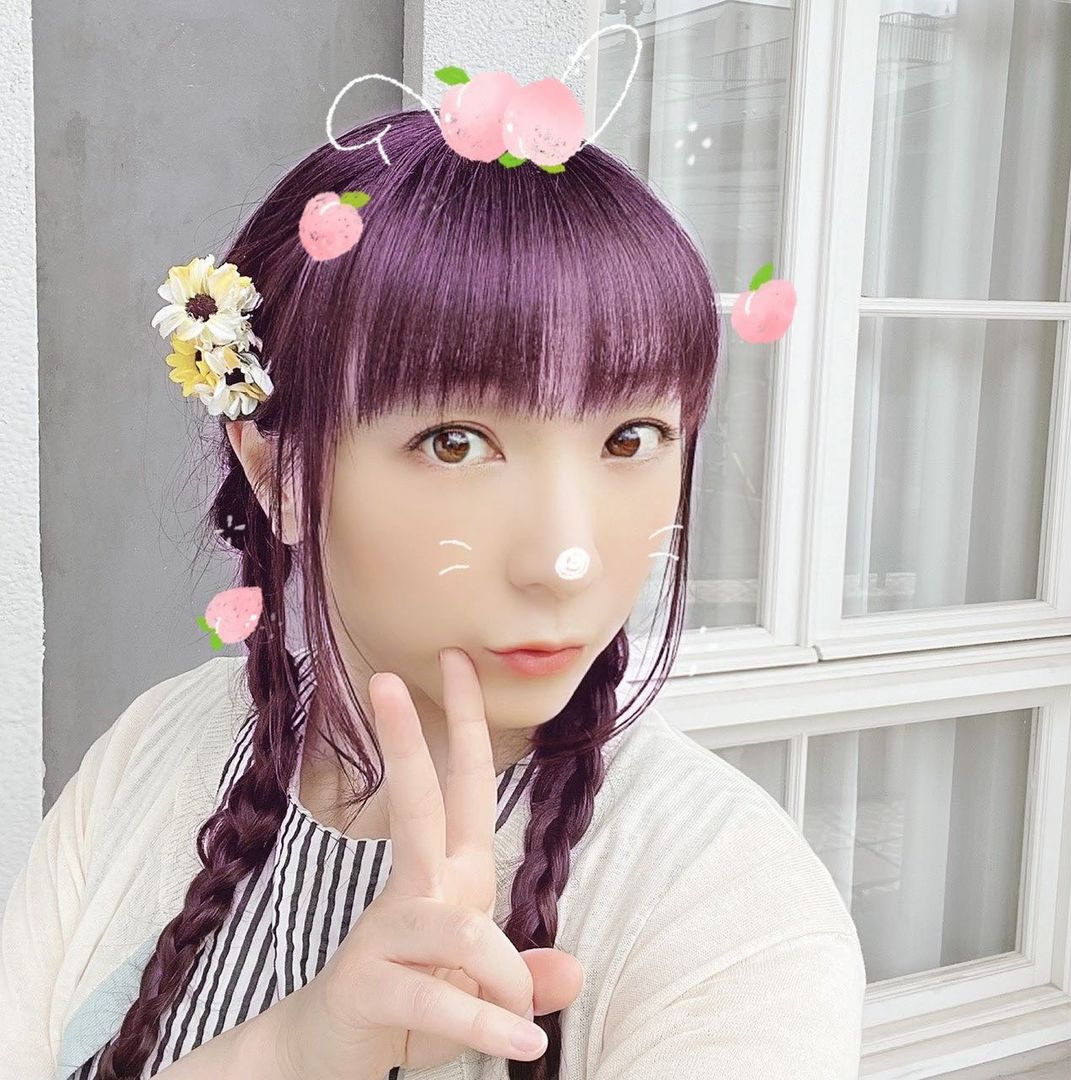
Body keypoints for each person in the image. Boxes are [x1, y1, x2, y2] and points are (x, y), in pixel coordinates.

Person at [0, 79, 866, 1080]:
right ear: (278, 473)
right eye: (456, 442)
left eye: (632, 438)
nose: (566, 560)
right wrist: (293, 1051)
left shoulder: (727, 908)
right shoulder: (155, 752)